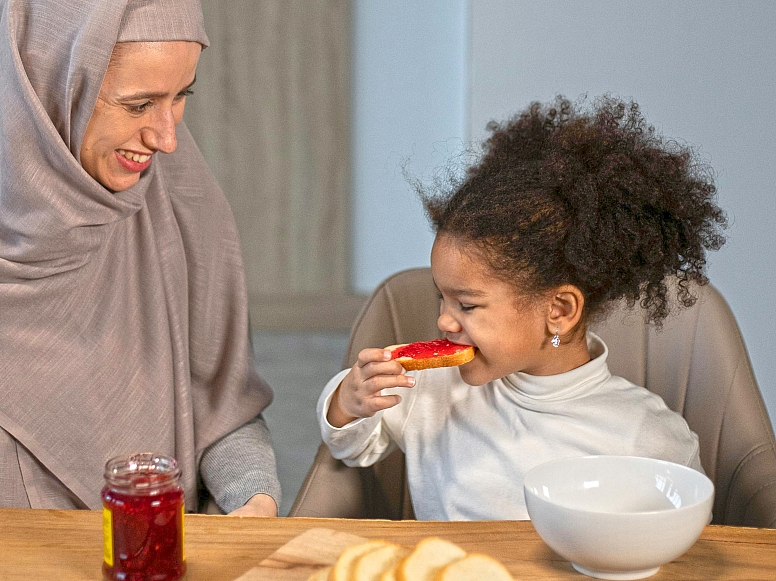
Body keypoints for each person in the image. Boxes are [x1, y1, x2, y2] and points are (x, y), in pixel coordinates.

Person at [318, 96, 727, 520]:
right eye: (442, 297)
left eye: (468, 305)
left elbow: (682, 542)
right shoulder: (430, 392)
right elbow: (351, 448)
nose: (443, 319)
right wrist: (348, 402)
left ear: (560, 310)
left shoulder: (649, 436)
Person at [0, 0, 280, 516]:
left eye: (181, 97)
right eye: (137, 105)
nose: (167, 139)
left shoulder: (179, 202)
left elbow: (223, 412)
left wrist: (254, 500)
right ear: (45, 88)